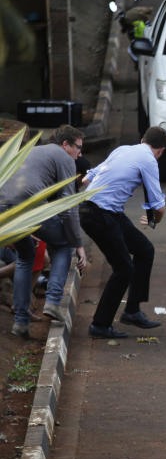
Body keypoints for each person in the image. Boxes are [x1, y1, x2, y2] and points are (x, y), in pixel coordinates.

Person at [79, 126, 166, 339]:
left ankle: (132, 311)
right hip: (100, 214)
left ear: (142, 140)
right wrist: (154, 219)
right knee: (123, 269)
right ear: (161, 150)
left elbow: (87, 178)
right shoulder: (149, 160)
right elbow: (159, 206)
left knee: (144, 250)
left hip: (96, 209)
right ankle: (100, 325)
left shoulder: (123, 149)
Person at [0, 125, 88, 338]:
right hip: (28, 207)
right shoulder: (64, 158)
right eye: (78, 147)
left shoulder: (32, 151)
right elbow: (68, 207)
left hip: (4, 210)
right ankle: (53, 300)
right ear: (65, 145)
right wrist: (78, 244)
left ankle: (20, 322)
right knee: (64, 243)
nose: (80, 153)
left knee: (26, 255)